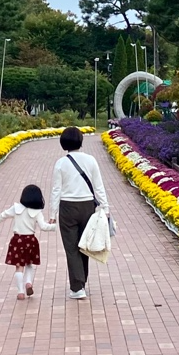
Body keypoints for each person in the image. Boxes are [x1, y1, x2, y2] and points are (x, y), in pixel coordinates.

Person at [46, 125, 109, 300]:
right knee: (84, 245)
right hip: (87, 206)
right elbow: (99, 187)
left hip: (67, 207)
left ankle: (77, 287)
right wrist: (105, 208)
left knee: (71, 248)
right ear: (81, 141)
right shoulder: (91, 160)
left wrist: (52, 213)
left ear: (63, 143)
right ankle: (81, 281)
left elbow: (56, 190)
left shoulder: (61, 163)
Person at [0, 184, 54, 299]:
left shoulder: (16, 208)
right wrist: (54, 226)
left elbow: (4, 215)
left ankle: (20, 292)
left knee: (19, 267)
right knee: (29, 264)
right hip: (31, 240)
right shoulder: (37, 212)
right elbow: (43, 227)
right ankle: (28, 282)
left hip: (17, 240)